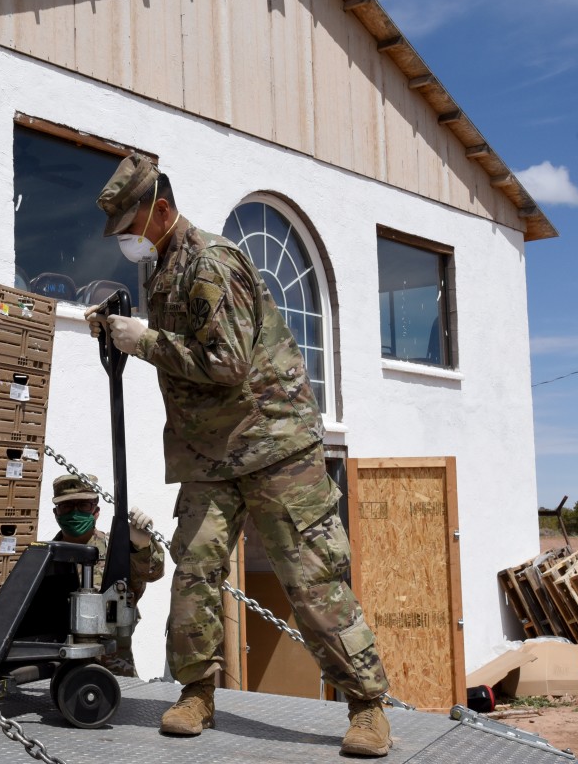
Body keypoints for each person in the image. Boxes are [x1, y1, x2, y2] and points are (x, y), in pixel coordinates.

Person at [85, 154, 393, 756]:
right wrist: (123, 328)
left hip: (274, 444)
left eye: (129, 227)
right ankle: (197, 694)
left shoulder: (211, 263)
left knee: (311, 582)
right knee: (194, 572)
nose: (125, 240)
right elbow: (185, 342)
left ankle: (367, 707)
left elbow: (226, 365)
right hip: (212, 454)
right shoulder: (164, 268)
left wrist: (141, 339)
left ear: (160, 210)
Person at [50, 473, 165, 677]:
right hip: (58, 672)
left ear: (96, 511)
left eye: (83, 505)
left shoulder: (117, 550)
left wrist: (141, 545)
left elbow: (153, 573)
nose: (75, 512)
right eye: (67, 506)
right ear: (56, 513)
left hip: (115, 672)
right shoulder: (45, 558)